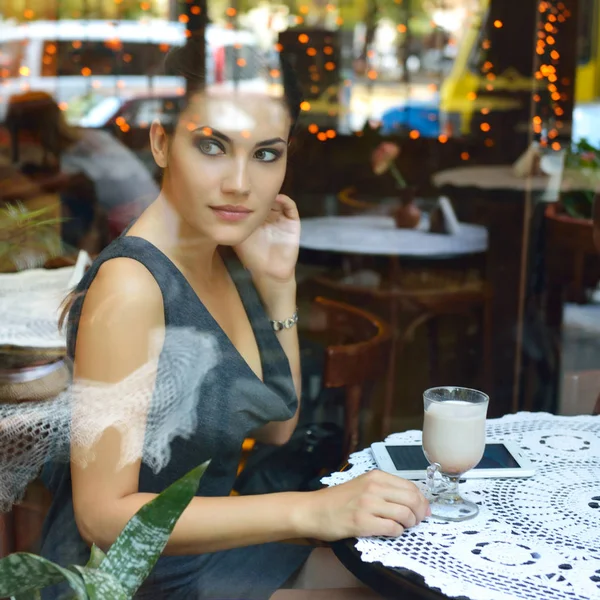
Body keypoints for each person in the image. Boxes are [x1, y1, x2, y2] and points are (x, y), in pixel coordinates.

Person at [39, 40, 430, 600]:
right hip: (132, 582)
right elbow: (101, 517)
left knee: (411, 583)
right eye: (212, 146)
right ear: (160, 142)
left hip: (213, 556)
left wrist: (277, 286)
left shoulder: (217, 256)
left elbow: (277, 424)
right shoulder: (131, 287)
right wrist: (311, 512)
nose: (241, 183)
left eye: (266, 153)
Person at [4, 91, 159, 247]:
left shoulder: (78, 151)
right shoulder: (88, 139)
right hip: (141, 223)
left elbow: (45, 187)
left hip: (137, 230)